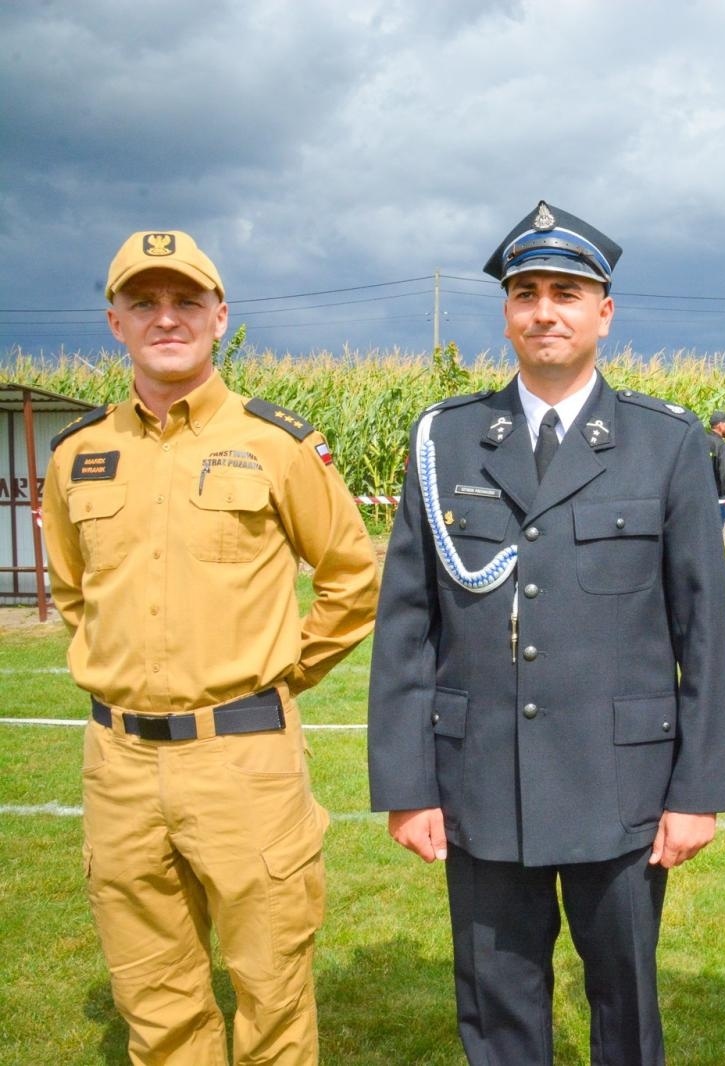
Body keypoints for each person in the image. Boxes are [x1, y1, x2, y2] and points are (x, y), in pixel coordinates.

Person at [367, 201, 725, 1066]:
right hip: (482, 781)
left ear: (603, 312)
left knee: (625, 1004)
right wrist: (408, 785)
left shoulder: (667, 443)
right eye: (526, 292)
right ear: (505, 313)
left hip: (624, 787)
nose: (545, 310)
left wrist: (697, 791)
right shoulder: (446, 442)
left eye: (567, 292)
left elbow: (706, 637)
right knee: (497, 1010)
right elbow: (407, 624)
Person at [41, 230, 379, 1063]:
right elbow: (74, 592)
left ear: (220, 315)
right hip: (117, 767)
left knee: (273, 992)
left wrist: (278, 673)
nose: (167, 318)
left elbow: (351, 578)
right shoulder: (79, 454)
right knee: (154, 999)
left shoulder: (277, 446)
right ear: (113, 321)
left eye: (186, 300)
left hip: (244, 762)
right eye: (144, 302)